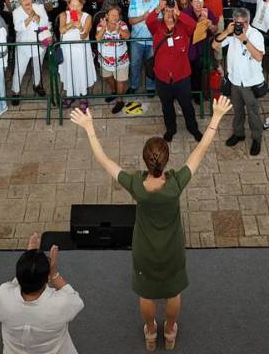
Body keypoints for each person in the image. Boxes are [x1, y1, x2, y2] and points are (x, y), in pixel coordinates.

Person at [69, 95, 232, 351]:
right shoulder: (176, 183)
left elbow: (104, 161)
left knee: (146, 294)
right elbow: (200, 150)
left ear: (146, 160)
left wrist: (89, 128)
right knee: (173, 293)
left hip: (144, 250)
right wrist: (217, 117)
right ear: (166, 161)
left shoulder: (136, 185)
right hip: (172, 249)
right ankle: (169, 331)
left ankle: (150, 333)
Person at [0, 232, 84, 354]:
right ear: (47, 279)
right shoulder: (60, 304)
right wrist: (54, 274)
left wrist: (29, 260)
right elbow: (76, 300)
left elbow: (17, 282)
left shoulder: (3, 294)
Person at [145, 0, 202, 142]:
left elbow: (193, 25)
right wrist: (158, 8)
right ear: (162, 13)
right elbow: (148, 21)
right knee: (167, 106)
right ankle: (171, 129)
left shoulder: (183, 27)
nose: (169, 14)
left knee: (187, 105)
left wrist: (178, 12)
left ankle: (193, 128)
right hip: (163, 78)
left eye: (172, 11)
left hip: (181, 77)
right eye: (166, 11)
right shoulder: (157, 27)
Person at [214, 7, 267, 156]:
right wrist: (226, 32)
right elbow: (215, 45)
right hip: (235, 80)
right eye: (237, 23)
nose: (240, 26)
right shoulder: (231, 33)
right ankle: (238, 134)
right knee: (237, 110)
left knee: (253, 112)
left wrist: (244, 39)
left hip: (250, 82)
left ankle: (256, 138)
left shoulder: (255, 35)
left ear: (248, 22)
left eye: (242, 23)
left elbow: (259, 57)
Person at [57, 0, 95, 108]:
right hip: (67, 50)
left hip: (81, 50)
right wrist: (71, 24)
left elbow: (84, 36)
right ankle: (70, 95)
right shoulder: (64, 15)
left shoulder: (87, 17)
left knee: (81, 71)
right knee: (69, 71)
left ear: (82, 5)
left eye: (78, 6)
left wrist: (80, 28)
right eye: (72, 5)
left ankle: (83, 96)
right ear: (68, 5)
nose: (75, 8)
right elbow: (61, 30)